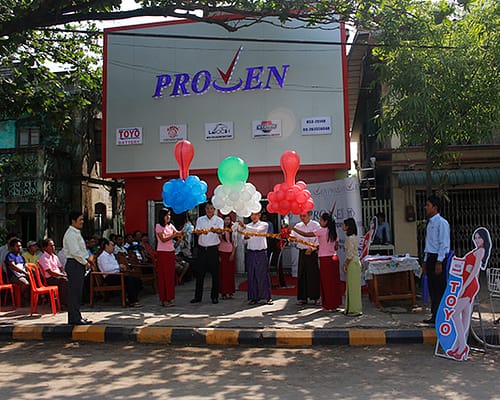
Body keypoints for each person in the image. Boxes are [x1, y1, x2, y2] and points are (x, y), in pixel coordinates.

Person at [446, 227, 491, 360]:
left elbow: (474, 272)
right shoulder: (476, 250)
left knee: (454, 313)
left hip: (469, 285)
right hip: (466, 283)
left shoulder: (480, 251)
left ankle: (462, 346)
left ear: (484, 239)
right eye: (476, 237)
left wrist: (464, 287)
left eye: (480, 237)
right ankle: (458, 346)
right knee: (464, 315)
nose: (477, 240)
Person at [292, 213, 342, 311]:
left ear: (326, 222)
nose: (320, 222)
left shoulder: (322, 231)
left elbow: (306, 234)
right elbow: (336, 246)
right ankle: (334, 304)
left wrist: (294, 229)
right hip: (334, 257)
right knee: (333, 283)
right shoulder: (333, 232)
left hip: (325, 258)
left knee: (326, 283)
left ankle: (329, 305)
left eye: (321, 220)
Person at [422, 195, 450, 324]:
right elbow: (429, 243)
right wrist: (425, 260)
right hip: (431, 257)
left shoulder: (442, 223)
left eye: (428, 205)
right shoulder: (430, 223)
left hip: (438, 258)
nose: (426, 207)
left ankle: (441, 315)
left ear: (435, 207)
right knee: (432, 288)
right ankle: (434, 314)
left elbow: (443, 244)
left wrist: (439, 261)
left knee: (439, 288)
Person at [63, 210, 93, 325]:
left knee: (78, 292)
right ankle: (74, 318)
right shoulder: (70, 234)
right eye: (80, 220)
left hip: (79, 263)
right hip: (74, 263)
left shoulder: (76, 232)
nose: (82, 222)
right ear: (73, 221)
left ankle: (77, 316)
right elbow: (75, 252)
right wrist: (85, 262)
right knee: (74, 292)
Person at [191, 201, 223, 304]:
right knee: (200, 274)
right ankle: (198, 297)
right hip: (202, 249)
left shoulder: (218, 220)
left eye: (211, 208)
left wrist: (215, 230)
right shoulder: (200, 219)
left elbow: (221, 231)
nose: (209, 210)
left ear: (214, 210)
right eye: (208, 208)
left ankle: (214, 297)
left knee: (215, 274)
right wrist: (200, 232)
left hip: (213, 249)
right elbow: (196, 232)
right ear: (205, 209)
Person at [97, 238, 143, 307]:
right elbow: (106, 269)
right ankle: (133, 301)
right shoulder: (102, 256)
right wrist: (118, 266)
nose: (113, 247)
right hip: (109, 277)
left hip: (118, 274)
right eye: (112, 245)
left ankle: (129, 298)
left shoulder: (111, 255)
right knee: (129, 280)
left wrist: (120, 267)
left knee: (137, 280)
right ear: (106, 246)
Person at [239, 210, 273, 305]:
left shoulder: (264, 224)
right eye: (252, 214)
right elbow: (243, 240)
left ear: (259, 215)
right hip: (251, 252)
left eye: (255, 214)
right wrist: (245, 238)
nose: (253, 216)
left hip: (261, 252)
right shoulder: (248, 225)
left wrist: (245, 226)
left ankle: (267, 297)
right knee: (252, 275)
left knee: (263, 274)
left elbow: (257, 231)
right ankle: (254, 297)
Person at [290, 211, 320, 306]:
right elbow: (293, 236)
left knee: (313, 275)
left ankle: (315, 297)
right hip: (302, 251)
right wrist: (288, 236)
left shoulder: (316, 225)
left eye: (304, 216)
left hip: (312, 251)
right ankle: (302, 298)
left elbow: (318, 238)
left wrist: (312, 248)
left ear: (309, 215)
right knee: (302, 274)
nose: (302, 218)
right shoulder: (298, 226)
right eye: (301, 216)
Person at [156, 208, 182, 307]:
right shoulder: (158, 226)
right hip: (162, 253)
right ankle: (164, 299)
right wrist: (173, 236)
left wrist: (186, 230)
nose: (168, 217)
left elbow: (178, 233)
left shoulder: (170, 225)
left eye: (170, 215)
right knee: (163, 276)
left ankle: (170, 298)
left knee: (170, 276)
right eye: (167, 215)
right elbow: (163, 239)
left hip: (170, 252)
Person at [38, 238, 69, 307]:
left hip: (57, 276)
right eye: (51, 246)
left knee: (71, 279)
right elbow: (50, 272)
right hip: (50, 279)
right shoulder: (44, 258)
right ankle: (63, 303)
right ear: (45, 248)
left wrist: (64, 273)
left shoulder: (55, 257)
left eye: (53, 245)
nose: (53, 247)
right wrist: (62, 275)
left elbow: (60, 267)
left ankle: (71, 301)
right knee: (64, 281)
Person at [342, 217, 362, 316]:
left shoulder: (350, 238)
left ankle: (355, 309)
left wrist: (345, 263)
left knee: (353, 288)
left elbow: (350, 254)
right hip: (355, 263)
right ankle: (350, 308)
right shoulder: (354, 236)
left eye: (344, 225)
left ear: (347, 226)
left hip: (352, 263)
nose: (342, 226)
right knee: (351, 287)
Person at [4, 238, 30, 303]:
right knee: (25, 283)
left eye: (20, 246)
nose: (20, 248)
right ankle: (20, 299)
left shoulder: (21, 256)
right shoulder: (10, 255)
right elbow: (13, 266)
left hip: (23, 275)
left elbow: (25, 266)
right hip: (14, 276)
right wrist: (23, 272)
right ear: (12, 247)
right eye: (17, 246)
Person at [218, 214, 237, 300]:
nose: (227, 221)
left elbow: (234, 243)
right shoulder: (220, 229)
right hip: (222, 252)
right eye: (225, 219)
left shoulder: (232, 230)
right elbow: (217, 242)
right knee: (222, 274)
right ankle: (223, 292)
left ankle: (230, 292)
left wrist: (233, 254)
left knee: (230, 274)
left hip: (230, 252)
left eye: (228, 220)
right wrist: (218, 255)